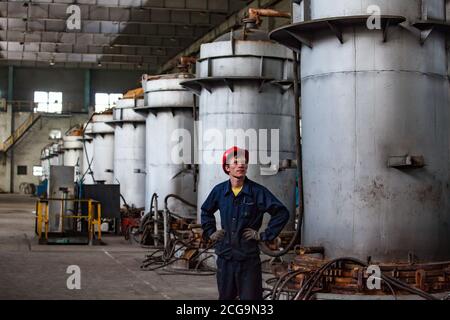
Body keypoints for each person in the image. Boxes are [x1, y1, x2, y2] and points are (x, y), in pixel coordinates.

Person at [201, 146, 290, 300]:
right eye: (236, 162)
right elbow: (206, 211)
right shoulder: (219, 191)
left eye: (244, 162)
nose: (241, 165)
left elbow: (282, 212)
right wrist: (211, 232)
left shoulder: (257, 192)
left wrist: (263, 235)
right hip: (226, 257)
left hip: (248, 259)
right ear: (227, 168)